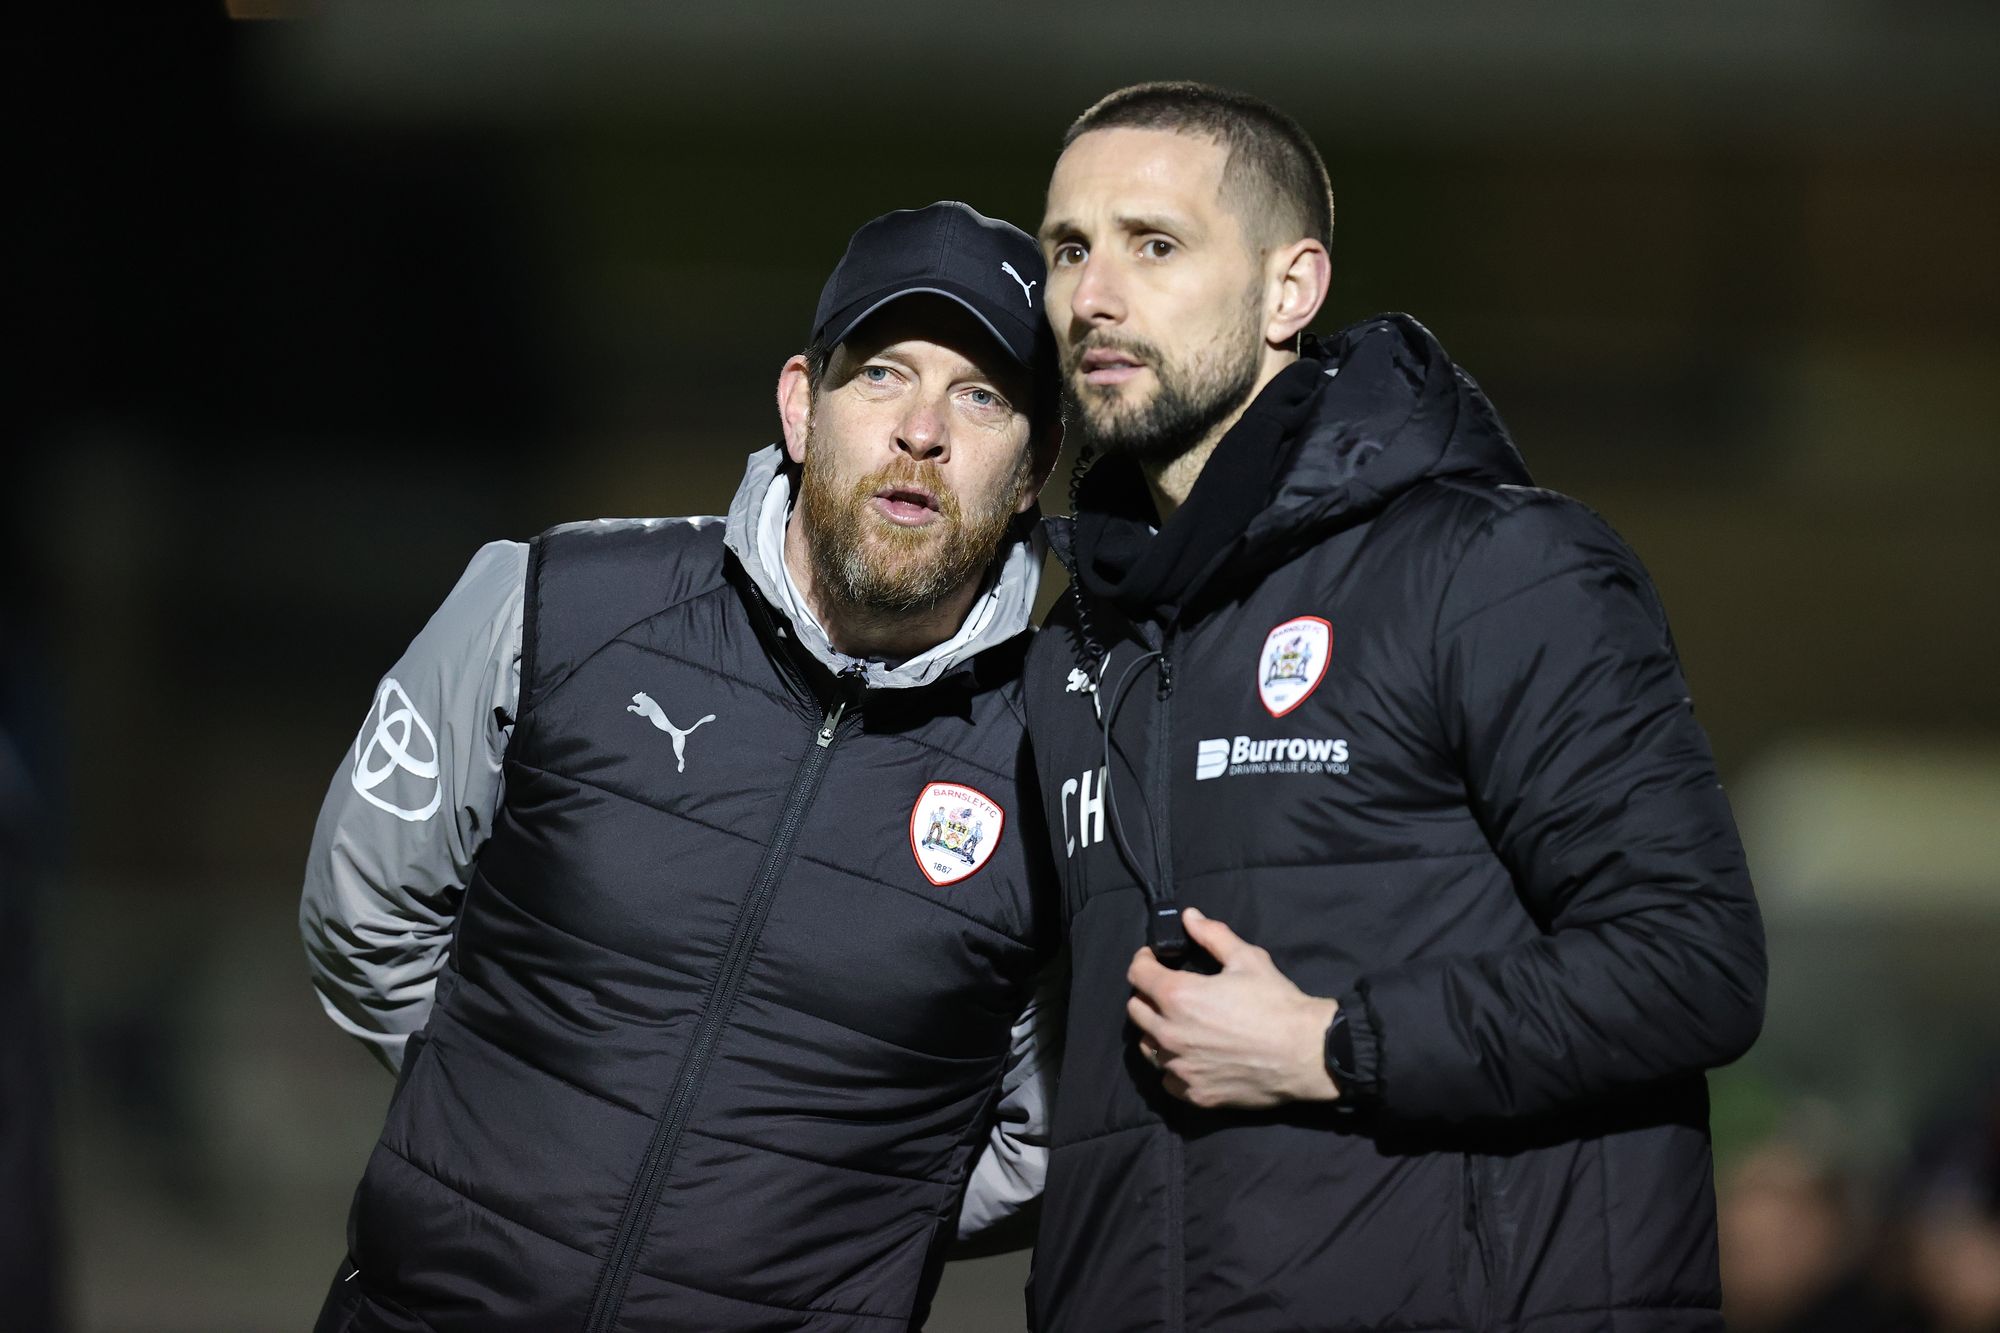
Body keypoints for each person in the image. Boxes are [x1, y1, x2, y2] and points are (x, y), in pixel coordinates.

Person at [1020, 82, 1769, 1330]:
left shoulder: (1490, 568)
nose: (1093, 295)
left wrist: (1328, 1043)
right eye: (1067, 250)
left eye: (1154, 244)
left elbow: (1693, 964)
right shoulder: (1074, 648)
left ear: (1288, 289)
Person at [301, 201, 1063, 1333]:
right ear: (802, 405)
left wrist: (838, 1216)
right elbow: (363, 912)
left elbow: (1043, 1135)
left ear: (1031, 468)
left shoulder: (1059, 756)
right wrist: (514, 1113)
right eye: (881, 375)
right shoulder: (554, 602)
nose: (921, 430)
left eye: (981, 395)